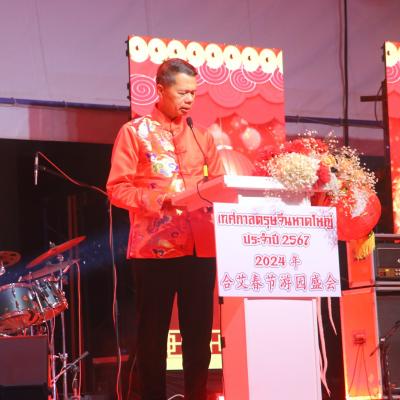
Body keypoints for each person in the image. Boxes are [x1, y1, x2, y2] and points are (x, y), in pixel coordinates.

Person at [107, 58, 225, 400]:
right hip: (154, 249)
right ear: (160, 90)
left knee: (199, 338)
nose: (189, 100)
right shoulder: (135, 133)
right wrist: (161, 200)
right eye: (182, 92)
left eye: (193, 93)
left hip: (200, 249)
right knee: (152, 338)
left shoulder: (202, 137)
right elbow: (117, 189)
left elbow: (219, 185)